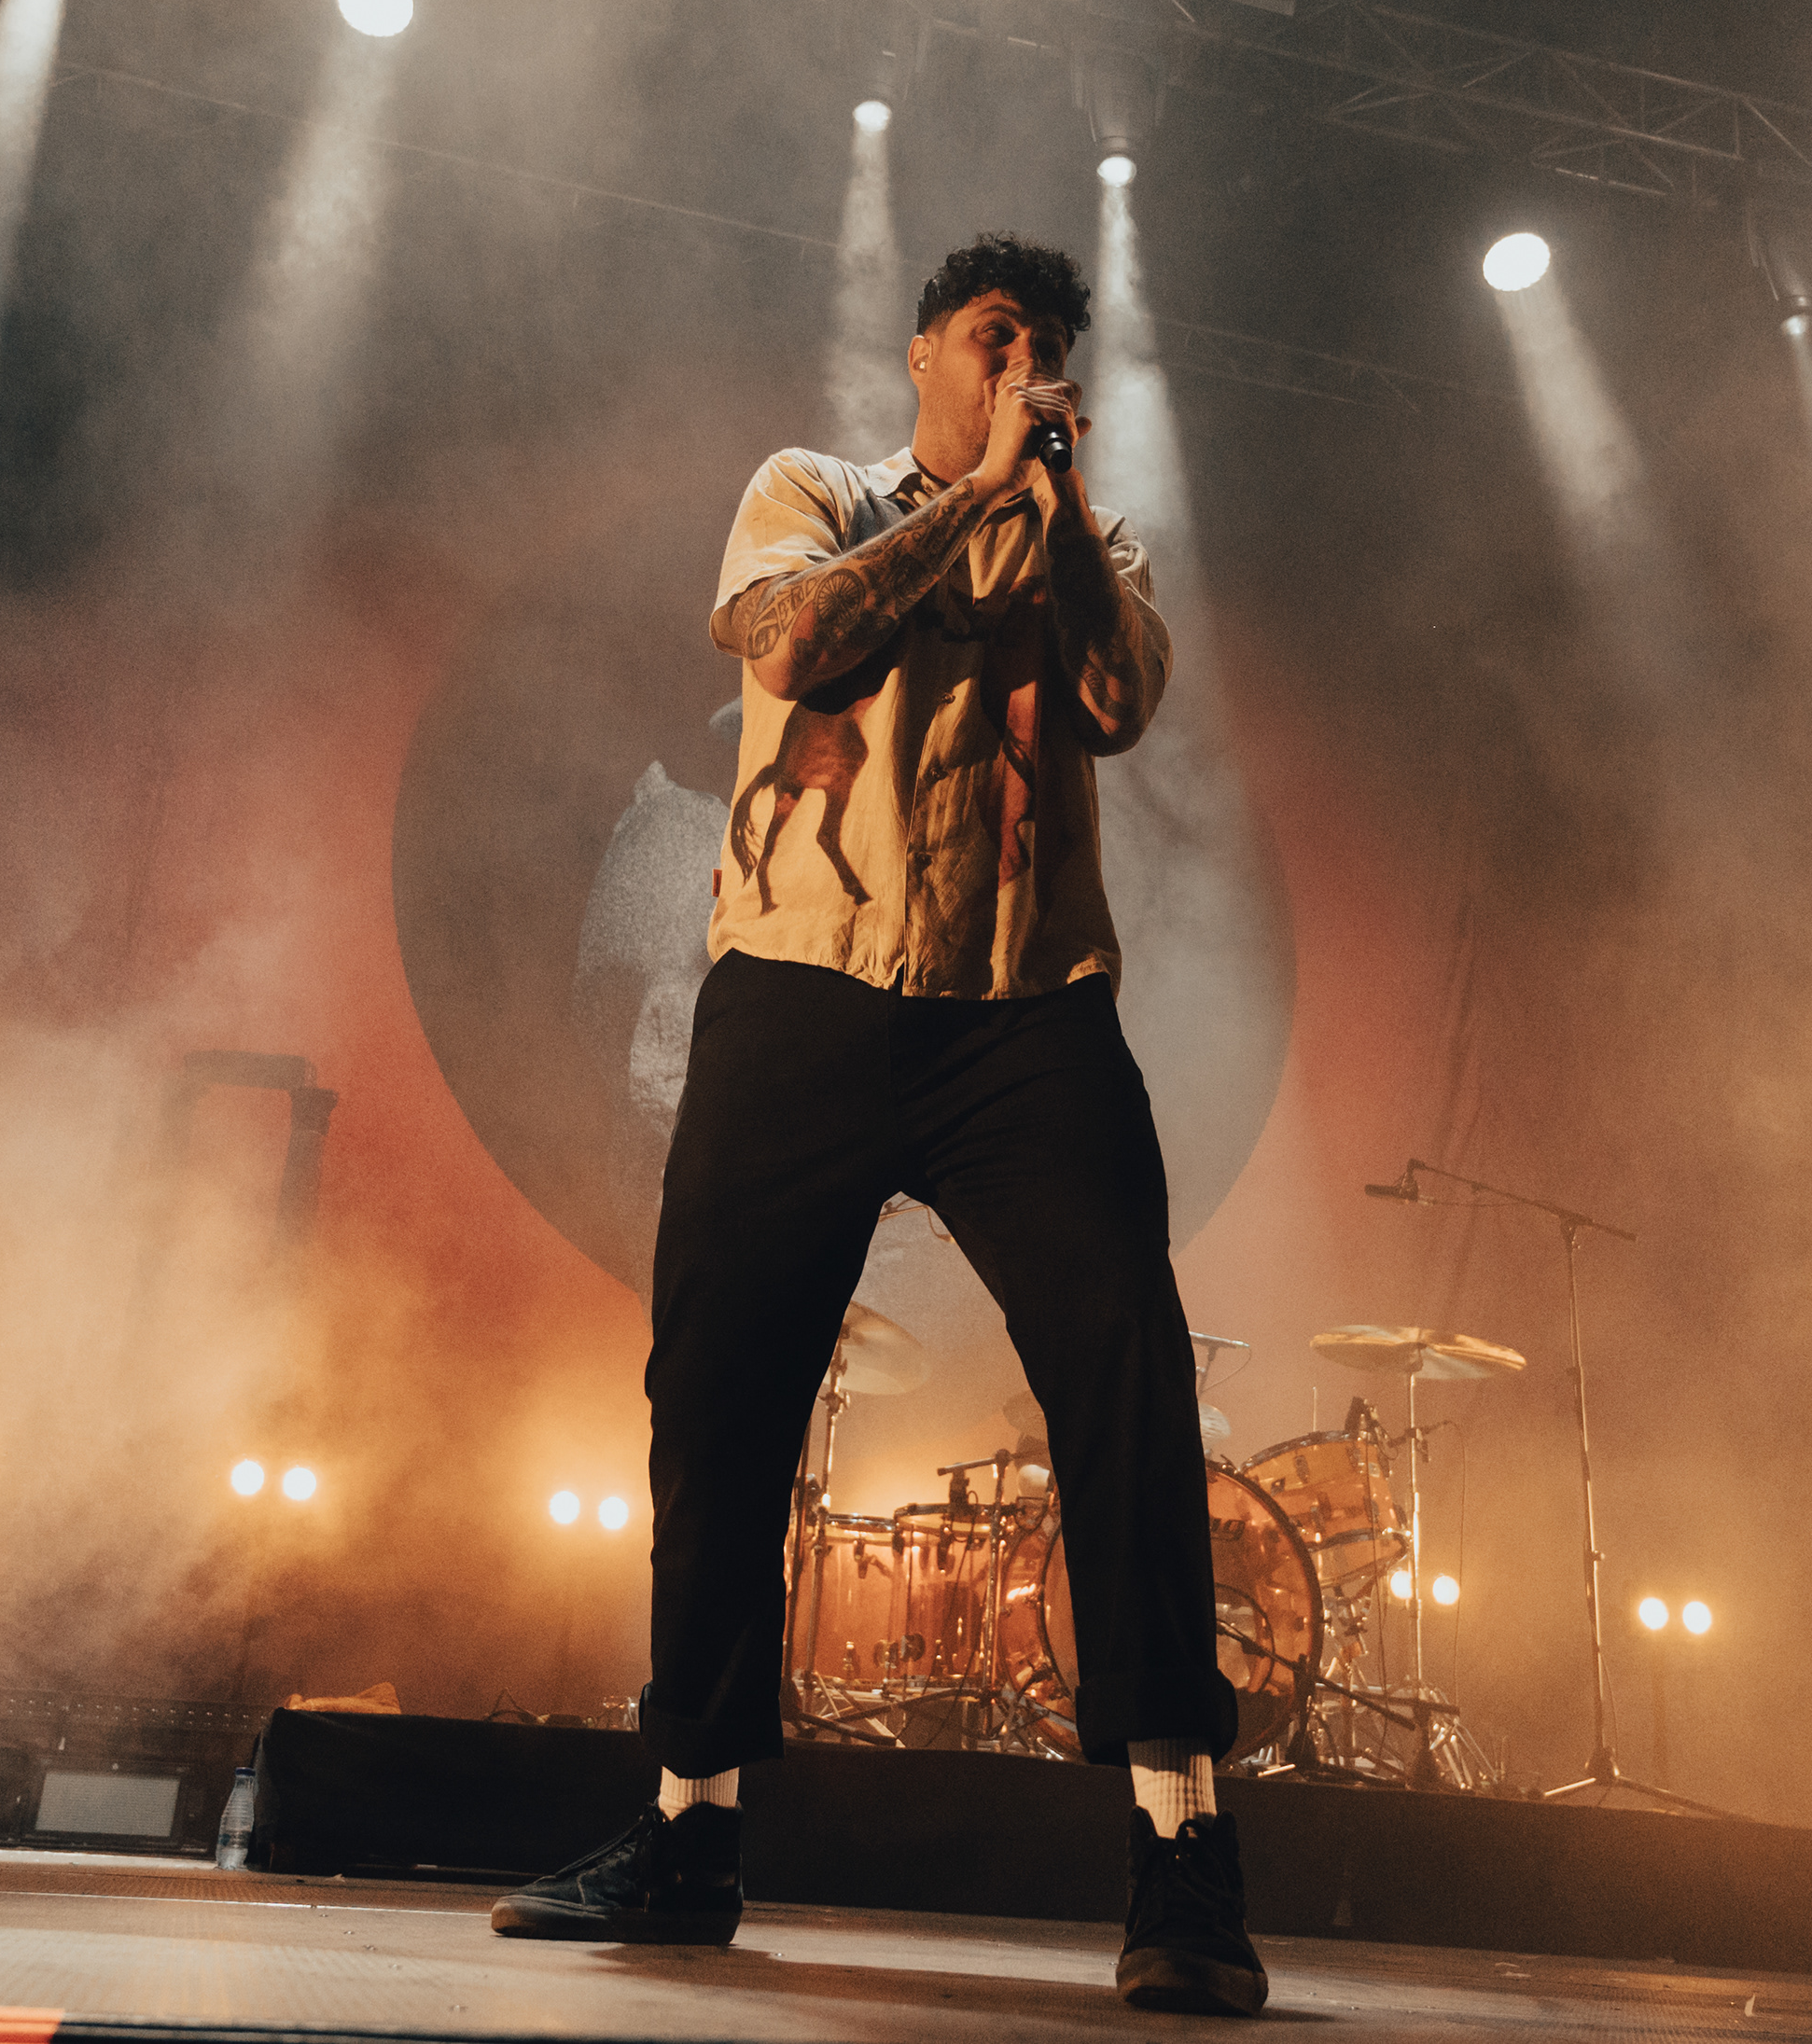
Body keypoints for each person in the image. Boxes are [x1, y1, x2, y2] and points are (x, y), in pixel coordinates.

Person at [491, 234, 1265, 2015]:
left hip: (1027, 1019)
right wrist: (974, 495)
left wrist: (1044, 514)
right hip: (803, 999)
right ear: (924, 354)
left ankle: (1183, 1856)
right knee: (718, 1393)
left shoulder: (1092, 542)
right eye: (996, 337)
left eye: (1048, 349)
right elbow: (799, 641)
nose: (1024, 369)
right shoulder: (812, 494)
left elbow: (1118, 706)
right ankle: (689, 1832)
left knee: (1131, 1383)